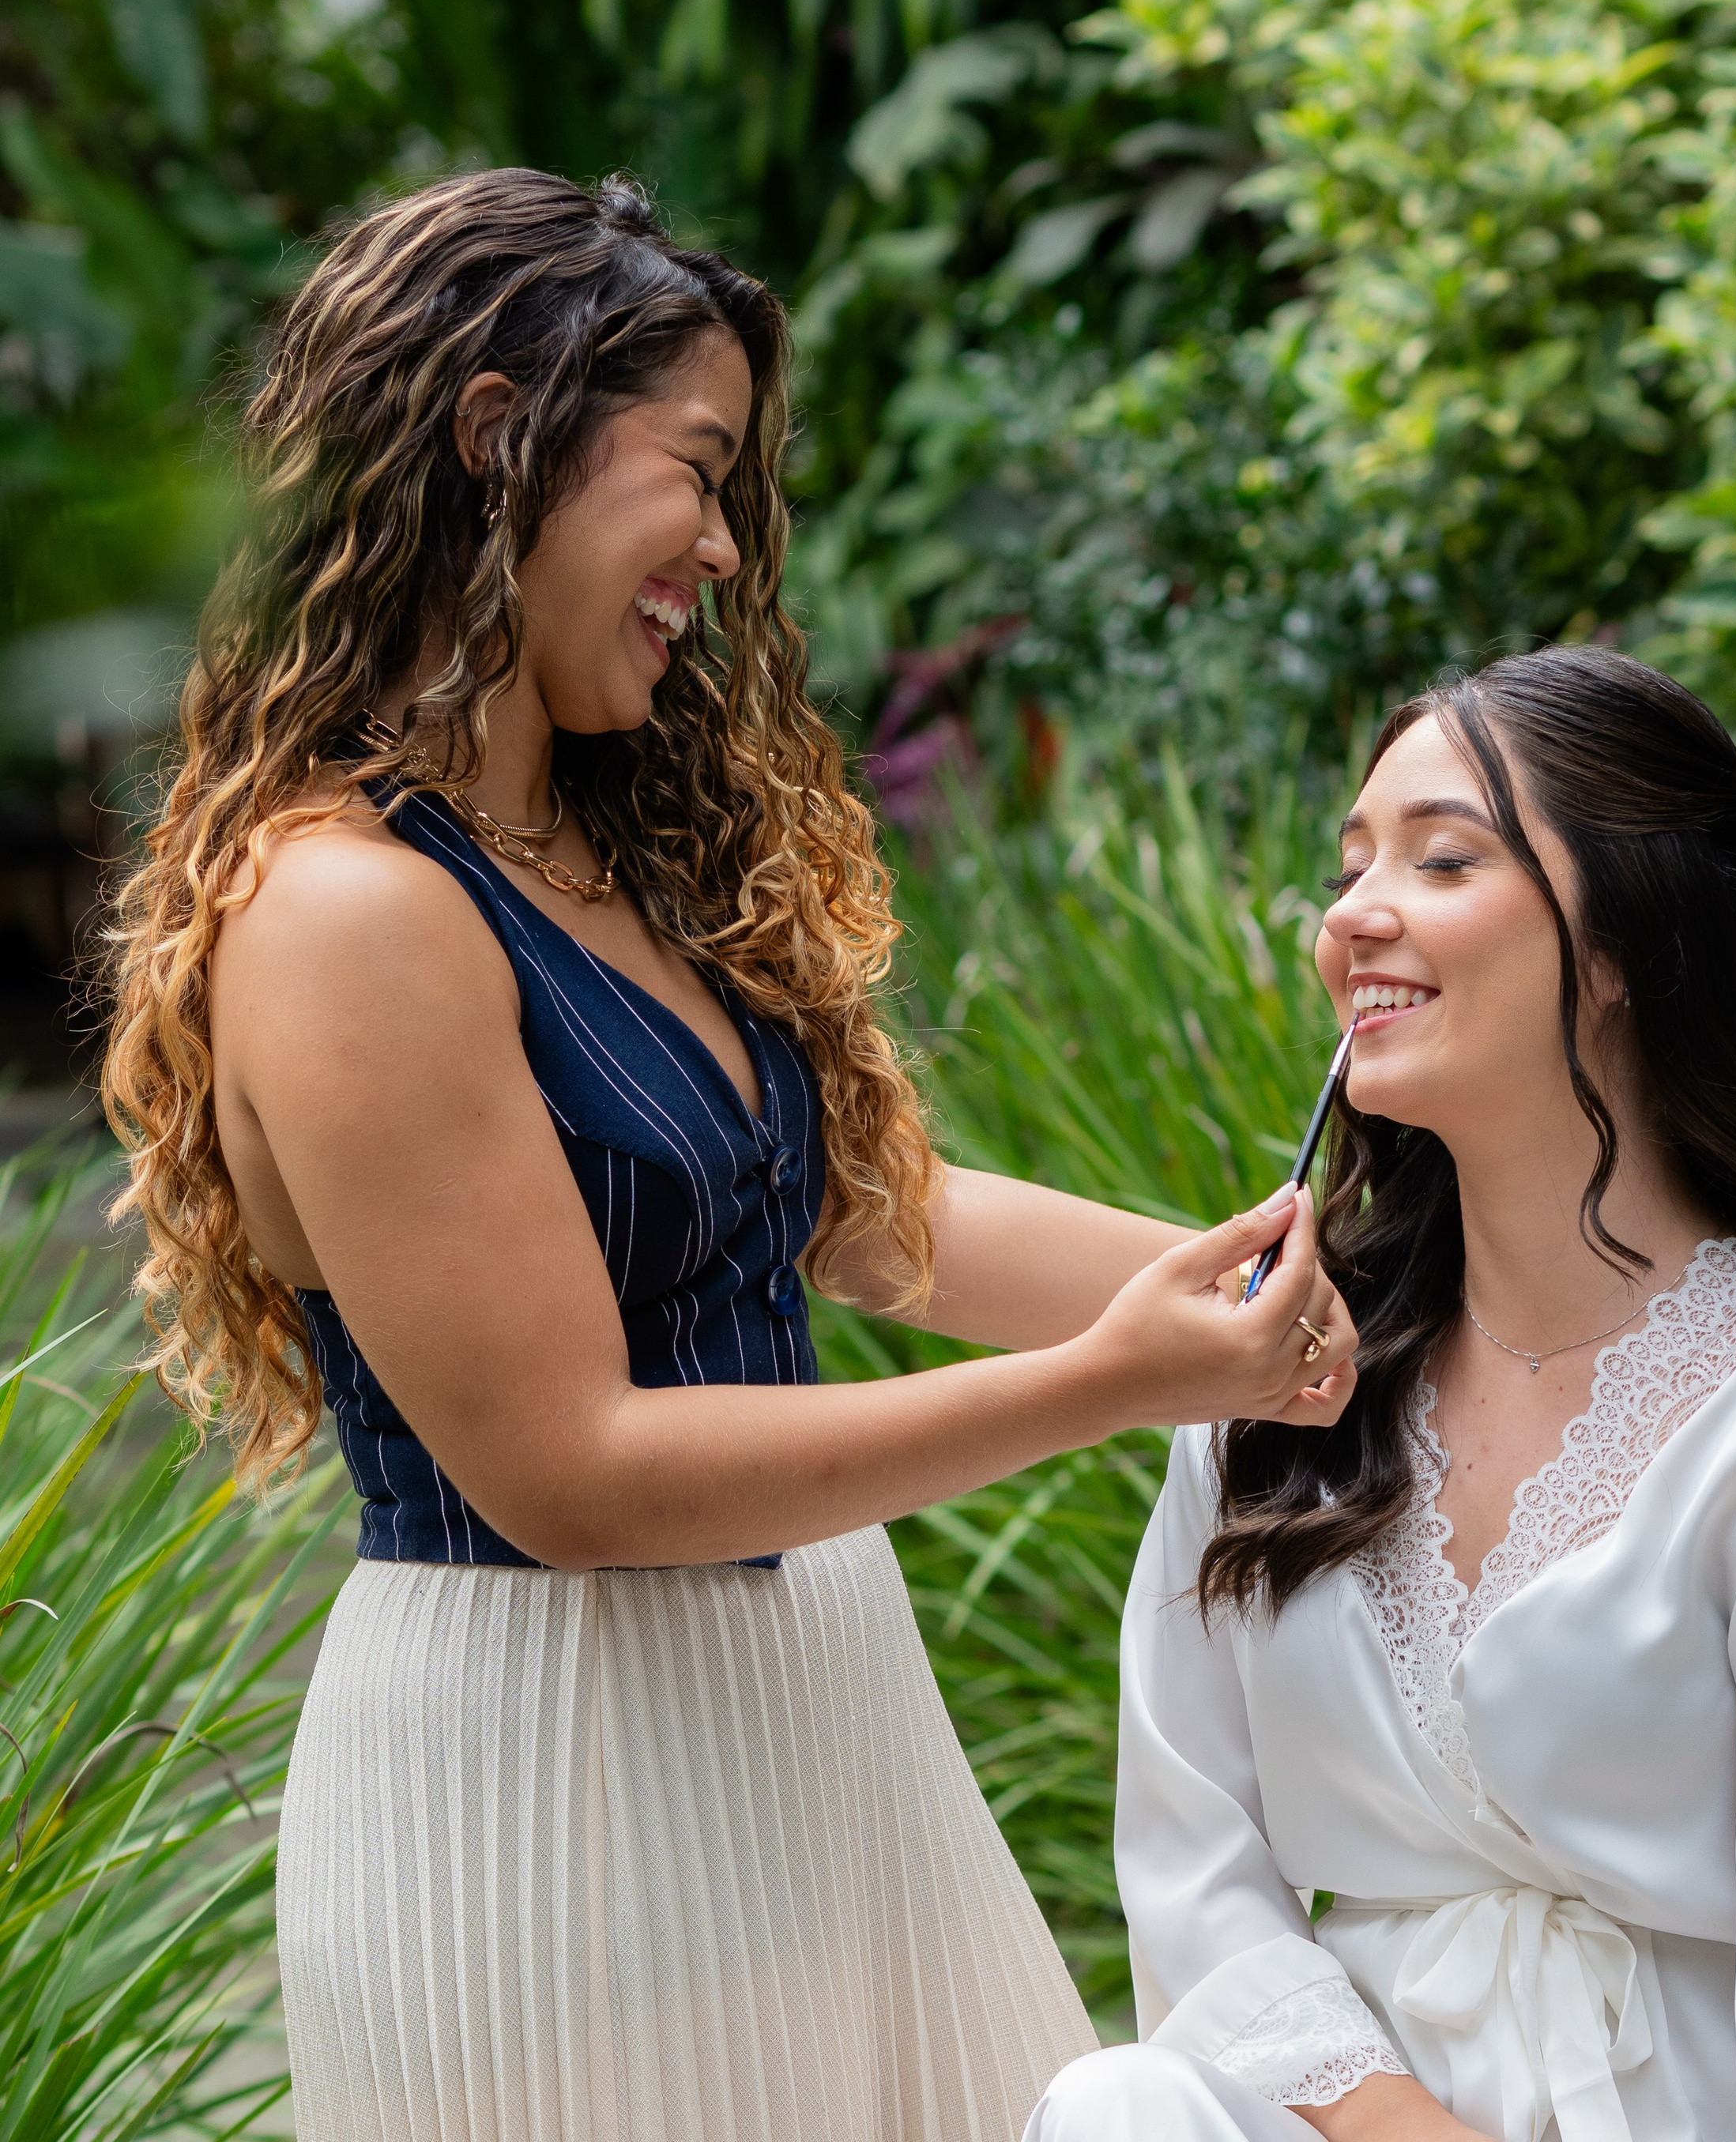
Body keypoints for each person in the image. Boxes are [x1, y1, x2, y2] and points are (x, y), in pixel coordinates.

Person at [99, 167, 1358, 2142]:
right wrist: (1116, 1383)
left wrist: (1328, 1281)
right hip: (557, 1780)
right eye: (693, 468)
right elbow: (572, 1474)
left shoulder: (610, 850)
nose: (721, 544)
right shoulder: (348, 912)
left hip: (806, 1717)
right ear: (497, 434)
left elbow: (871, 1223)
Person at [1029, 647, 1736, 2142]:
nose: (1352, 917)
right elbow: (1191, 1856)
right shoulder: (1275, 1375)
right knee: (1121, 2106)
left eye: (1443, 860)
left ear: (1624, 945)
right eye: (1350, 867)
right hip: (1347, 2117)